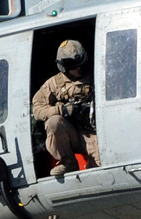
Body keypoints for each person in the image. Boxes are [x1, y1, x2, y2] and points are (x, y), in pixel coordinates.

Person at [32, 39, 99, 177]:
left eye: (81, 65)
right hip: (72, 135)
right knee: (54, 122)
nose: (79, 69)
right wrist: (62, 110)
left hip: (95, 134)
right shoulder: (54, 84)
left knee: (97, 172)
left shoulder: (96, 74)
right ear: (64, 67)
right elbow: (38, 109)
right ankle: (68, 162)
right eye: (74, 67)